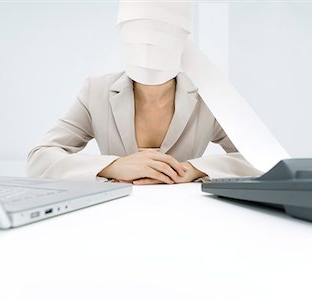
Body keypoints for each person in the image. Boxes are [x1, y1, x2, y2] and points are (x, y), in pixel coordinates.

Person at [27, 1, 262, 184]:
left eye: (162, 32)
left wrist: (193, 169)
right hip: (113, 215)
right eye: (139, 30)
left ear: (182, 38)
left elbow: (262, 161)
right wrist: (113, 166)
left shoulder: (207, 97)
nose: (150, 44)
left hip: (188, 216)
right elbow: (39, 160)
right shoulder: (96, 92)